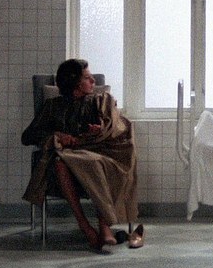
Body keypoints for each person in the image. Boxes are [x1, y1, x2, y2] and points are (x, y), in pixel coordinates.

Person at [22, 59, 142, 251]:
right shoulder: (52, 106)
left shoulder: (99, 101)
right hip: (67, 161)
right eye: (87, 78)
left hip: (98, 155)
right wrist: (57, 136)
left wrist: (101, 130)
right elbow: (28, 136)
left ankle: (104, 226)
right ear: (75, 83)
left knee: (95, 162)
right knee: (60, 162)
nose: (93, 81)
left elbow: (116, 126)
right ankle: (85, 227)